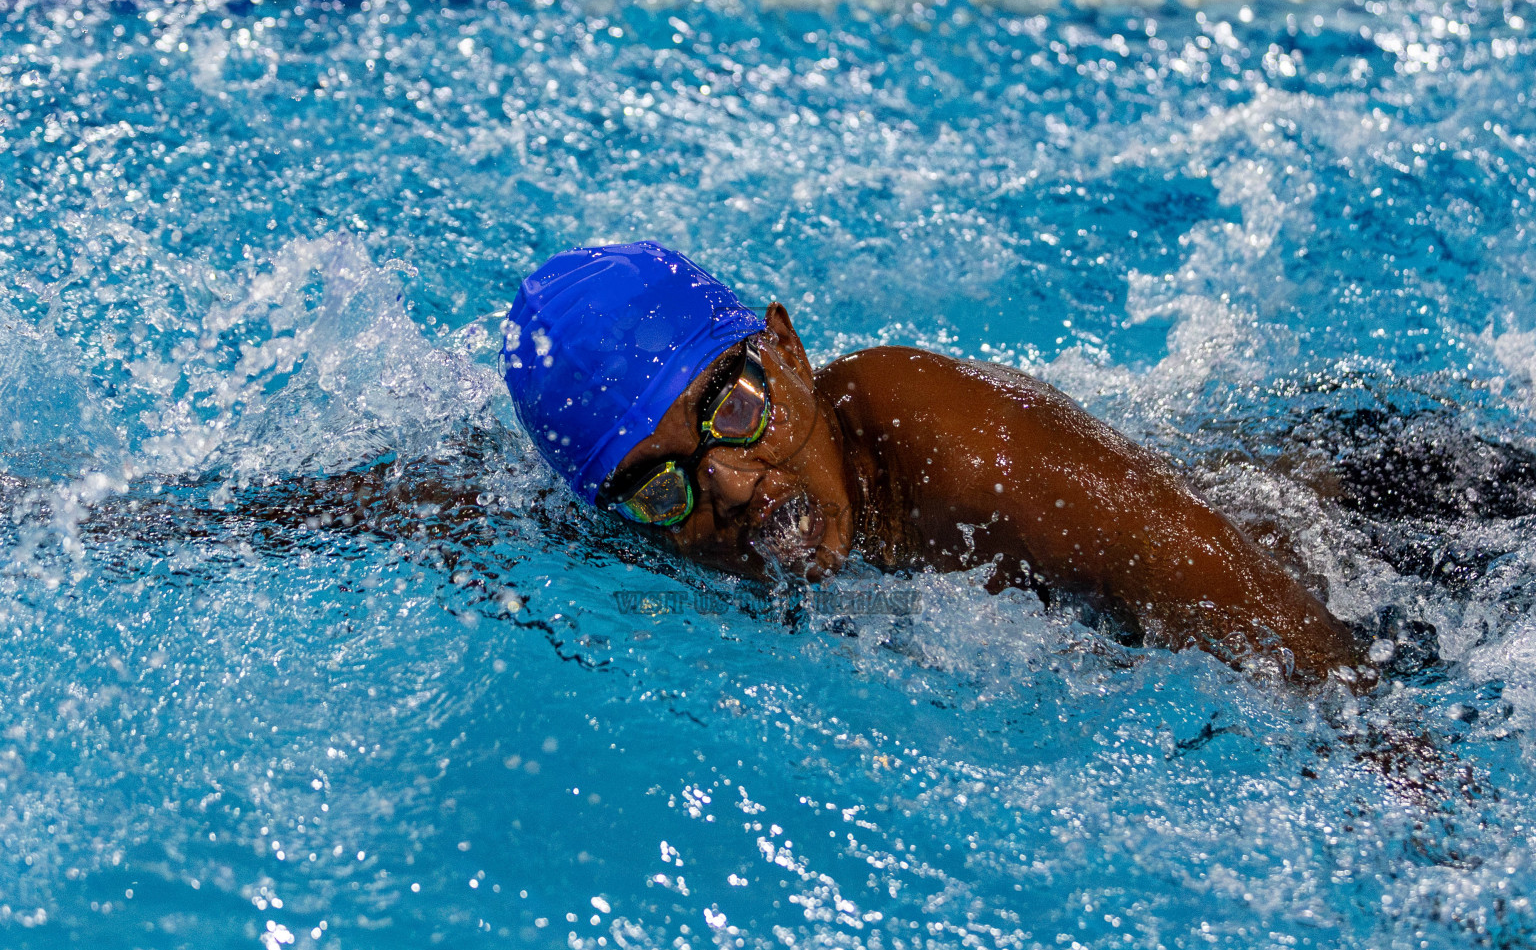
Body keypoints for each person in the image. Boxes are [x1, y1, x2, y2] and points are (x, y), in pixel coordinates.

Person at [502, 240, 1367, 685]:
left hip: (1381, 519)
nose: (730, 485)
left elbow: (1241, 596)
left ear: (788, 351)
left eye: (731, 409)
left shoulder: (948, 448)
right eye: (661, 484)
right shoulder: (646, 536)